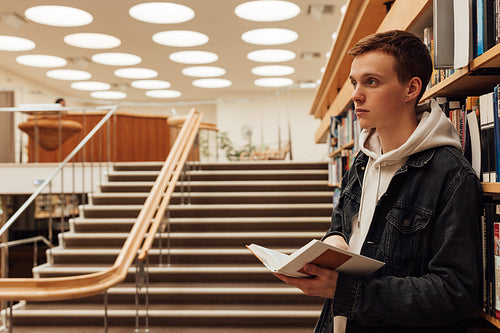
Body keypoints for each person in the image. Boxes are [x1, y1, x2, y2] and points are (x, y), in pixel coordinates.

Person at [274, 30, 482, 333]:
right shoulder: (360, 161)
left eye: (371, 82)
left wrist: (342, 290)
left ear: (411, 89)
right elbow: (341, 226)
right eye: (354, 83)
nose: (356, 95)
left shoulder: (450, 175)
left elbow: (454, 293)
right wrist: (333, 242)